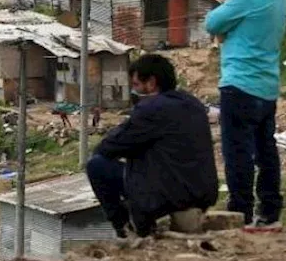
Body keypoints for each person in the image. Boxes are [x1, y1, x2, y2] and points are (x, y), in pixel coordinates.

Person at [204, 0, 286, 232]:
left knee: (237, 152)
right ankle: (270, 212)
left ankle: (240, 212)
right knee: (266, 151)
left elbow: (213, 23)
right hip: (267, 84)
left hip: (240, 84)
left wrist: (226, 28)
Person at [85, 55, 218, 238]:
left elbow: (108, 147)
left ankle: (126, 231)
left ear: (152, 83)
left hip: (169, 196)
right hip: (201, 194)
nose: (134, 91)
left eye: (136, 85)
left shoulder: (151, 109)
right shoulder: (192, 103)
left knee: (97, 165)